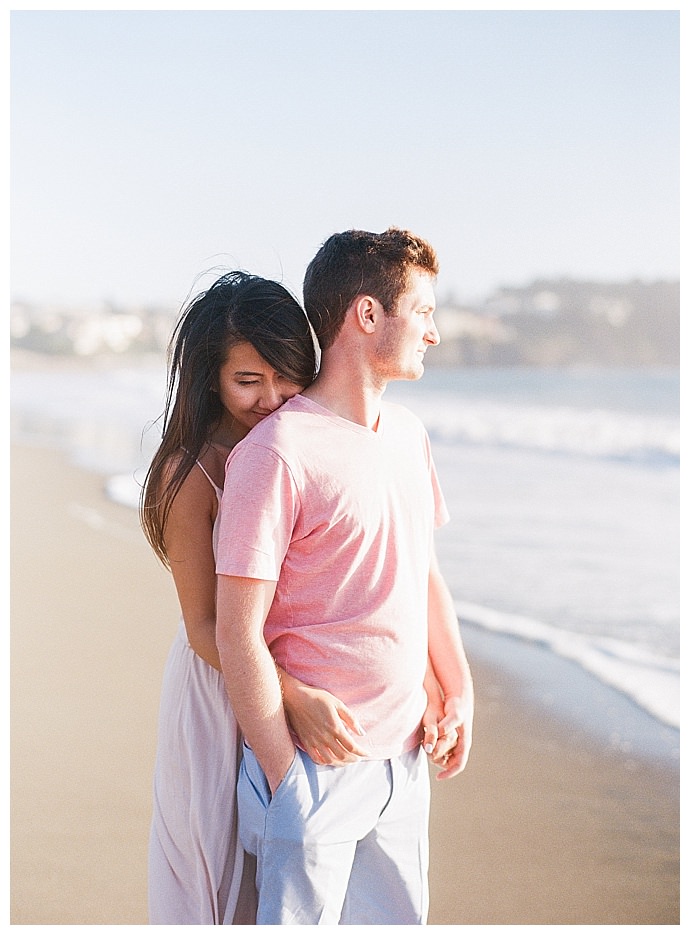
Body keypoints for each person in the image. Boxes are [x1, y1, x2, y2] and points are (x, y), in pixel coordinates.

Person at [215, 228, 475, 925]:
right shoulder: (277, 453)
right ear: (367, 314)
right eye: (422, 312)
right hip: (314, 769)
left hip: (406, 761)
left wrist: (459, 690)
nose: (434, 332)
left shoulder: (410, 435)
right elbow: (236, 631)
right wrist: (285, 777)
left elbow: (423, 573)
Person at [141, 271, 374, 924]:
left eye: (285, 376)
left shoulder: (296, 445)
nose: (271, 398)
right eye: (248, 380)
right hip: (220, 684)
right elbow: (203, 625)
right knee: (217, 882)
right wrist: (293, 696)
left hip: (279, 675)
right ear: (210, 377)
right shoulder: (188, 472)